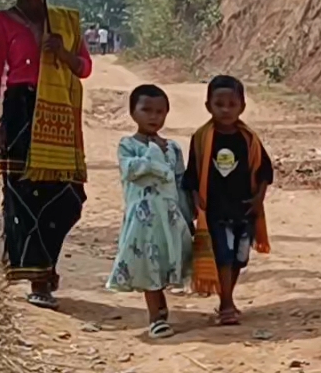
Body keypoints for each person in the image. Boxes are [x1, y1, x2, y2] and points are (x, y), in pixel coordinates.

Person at [0, 0, 91, 310]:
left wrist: (61, 51)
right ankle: (39, 277)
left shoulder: (65, 21)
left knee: (68, 199)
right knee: (24, 197)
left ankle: (46, 263)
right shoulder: (2, 22)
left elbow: (84, 68)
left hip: (59, 111)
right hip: (21, 110)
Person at [183, 74, 272, 325]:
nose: (225, 110)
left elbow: (265, 171)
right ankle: (226, 304)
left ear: (242, 106)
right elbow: (193, 173)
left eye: (232, 105)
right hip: (215, 210)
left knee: (238, 259)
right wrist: (195, 200)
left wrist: (258, 200)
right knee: (222, 255)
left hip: (243, 209)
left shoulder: (249, 139)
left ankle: (228, 296)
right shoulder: (201, 138)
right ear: (208, 106)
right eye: (219, 104)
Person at [107, 84, 191, 338]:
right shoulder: (128, 146)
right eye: (146, 110)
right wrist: (154, 155)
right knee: (147, 264)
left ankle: (162, 310)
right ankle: (156, 317)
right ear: (133, 113)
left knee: (167, 261)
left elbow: (179, 183)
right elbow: (131, 170)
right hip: (141, 220)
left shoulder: (173, 148)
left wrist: (188, 215)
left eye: (159, 111)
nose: (153, 116)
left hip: (170, 217)